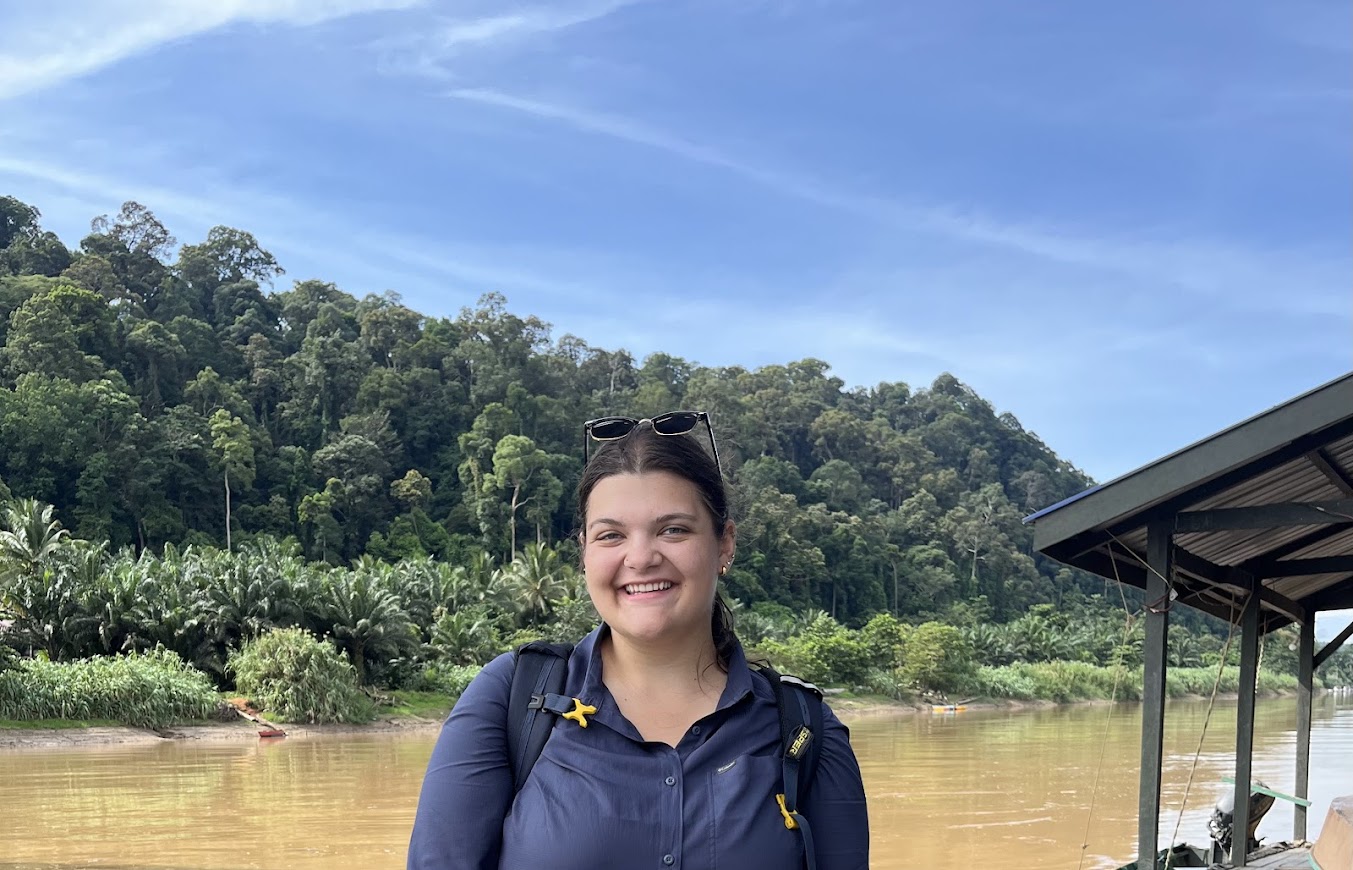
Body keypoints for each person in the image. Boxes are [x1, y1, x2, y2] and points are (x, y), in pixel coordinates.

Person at [407, 412, 870, 870]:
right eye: (611, 535)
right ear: (584, 554)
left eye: (673, 530)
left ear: (725, 544)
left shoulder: (804, 729)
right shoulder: (513, 697)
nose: (642, 558)